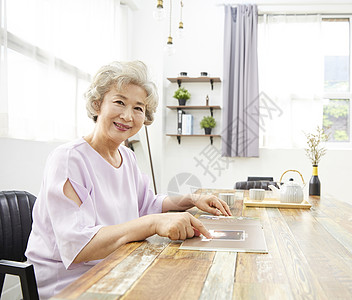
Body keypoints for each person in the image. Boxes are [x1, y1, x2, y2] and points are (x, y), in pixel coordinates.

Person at [25, 61, 231, 299]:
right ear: (97, 104)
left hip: (117, 268)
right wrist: (153, 224)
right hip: (71, 286)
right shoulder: (69, 159)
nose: (127, 116)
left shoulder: (127, 157)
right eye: (119, 102)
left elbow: (147, 205)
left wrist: (193, 199)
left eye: (138, 108)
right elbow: (77, 247)